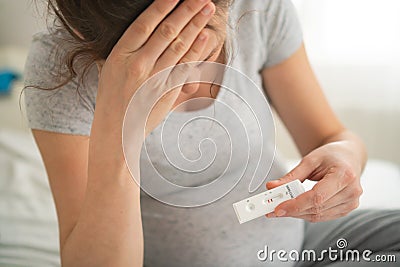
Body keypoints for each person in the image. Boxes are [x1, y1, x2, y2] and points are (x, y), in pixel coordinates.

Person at [23, 0, 400, 266]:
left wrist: (345, 156)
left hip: (298, 248)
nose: (194, 77)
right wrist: (120, 126)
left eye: (210, 46)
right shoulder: (60, 71)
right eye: (163, 64)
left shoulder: (257, 10)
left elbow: (331, 136)